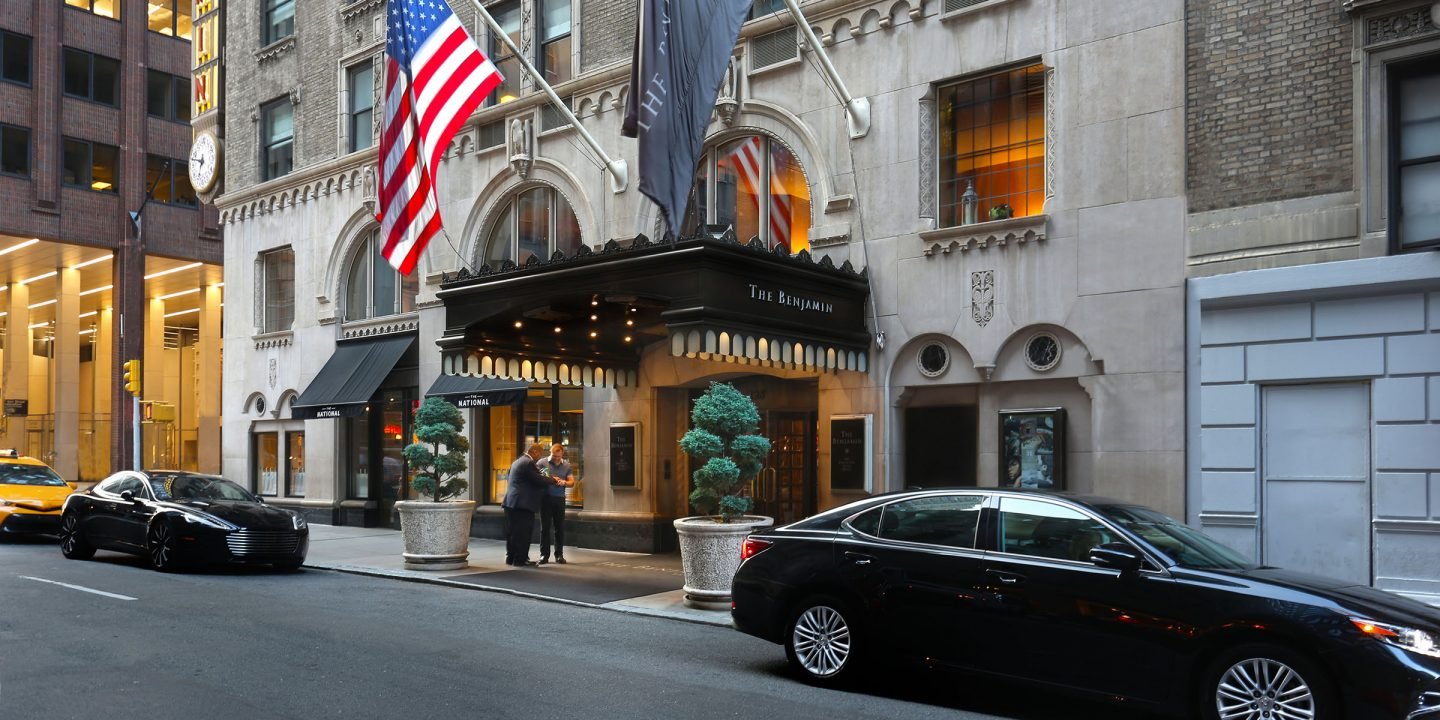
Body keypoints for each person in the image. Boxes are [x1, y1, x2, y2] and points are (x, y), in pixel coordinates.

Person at [502, 443, 558, 567]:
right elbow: (538, 479)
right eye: (540, 453)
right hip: (522, 504)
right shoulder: (528, 462)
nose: (540, 457)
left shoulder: (517, 461)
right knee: (523, 533)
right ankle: (520, 560)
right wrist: (553, 480)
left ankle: (510, 557)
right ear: (534, 451)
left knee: (512, 533)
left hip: (511, 502)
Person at [536, 443, 575, 565]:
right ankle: (544, 555)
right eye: (554, 456)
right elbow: (536, 478)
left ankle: (559, 555)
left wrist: (563, 482)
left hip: (559, 499)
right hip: (545, 499)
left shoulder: (567, 465)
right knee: (545, 528)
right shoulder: (542, 463)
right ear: (550, 453)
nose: (556, 459)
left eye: (558, 456)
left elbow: (572, 482)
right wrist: (550, 479)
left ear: (562, 454)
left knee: (559, 528)